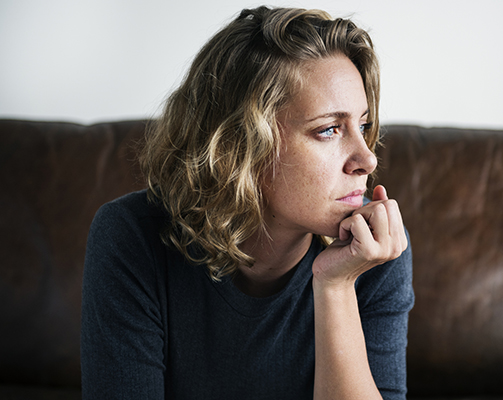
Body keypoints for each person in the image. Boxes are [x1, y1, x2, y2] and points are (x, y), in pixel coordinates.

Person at [81, 5, 414, 400]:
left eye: (362, 126)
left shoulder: (374, 251)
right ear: (239, 146)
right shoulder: (132, 237)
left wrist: (336, 285)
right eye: (328, 130)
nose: (368, 159)